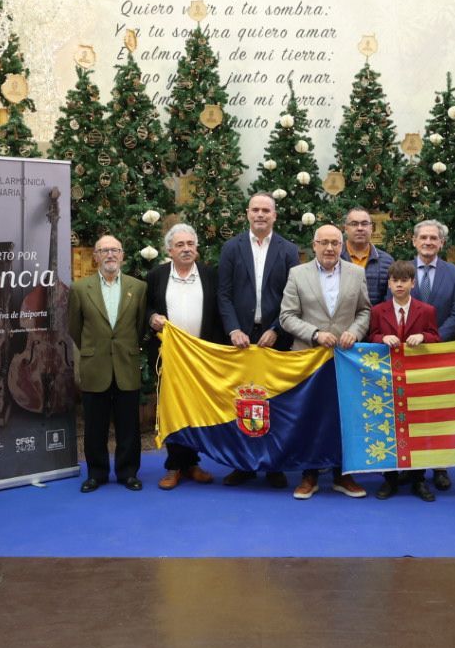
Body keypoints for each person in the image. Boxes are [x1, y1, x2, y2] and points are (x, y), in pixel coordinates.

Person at [278, 224, 372, 499]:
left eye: (335, 243)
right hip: (308, 359)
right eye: (324, 243)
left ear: (342, 246)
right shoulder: (298, 273)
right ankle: (309, 475)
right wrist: (315, 334)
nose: (330, 248)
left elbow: (364, 310)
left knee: (344, 416)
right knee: (309, 414)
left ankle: (343, 474)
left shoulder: (356, 273)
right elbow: (287, 316)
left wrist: (354, 332)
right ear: (314, 245)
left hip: (345, 360)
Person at [216, 193, 299, 488]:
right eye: (256, 210)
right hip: (240, 338)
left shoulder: (289, 250)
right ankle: (243, 465)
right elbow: (223, 295)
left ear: (275, 215)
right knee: (240, 399)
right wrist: (232, 329)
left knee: (273, 402)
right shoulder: (231, 248)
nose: (261, 214)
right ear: (247, 214)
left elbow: (293, 296)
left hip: (274, 338)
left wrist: (277, 327)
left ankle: (273, 465)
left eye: (266, 210)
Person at [68, 234, 148, 493]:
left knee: (129, 426)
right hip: (95, 366)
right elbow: (74, 328)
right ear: (96, 257)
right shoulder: (80, 288)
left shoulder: (138, 288)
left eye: (115, 250)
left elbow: (138, 326)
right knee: (94, 425)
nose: (110, 255)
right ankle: (97, 474)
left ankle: (128, 473)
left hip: (126, 364)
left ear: (123, 256)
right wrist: (93, 350)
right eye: (104, 250)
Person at [146, 223, 223, 491]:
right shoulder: (157, 275)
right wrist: (152, 317)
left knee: (196, 410)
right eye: (180, 245)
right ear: (169, 249)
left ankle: (191, 463)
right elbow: (148, 308)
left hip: (203, 356)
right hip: (172, 356)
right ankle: (174, 466)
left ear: (197, 247)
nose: (186, 249)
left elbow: (219, 312)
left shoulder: (210, 275)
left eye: (190, 244)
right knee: (173, 408)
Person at [368, 260, 441, 502]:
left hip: (416, 380)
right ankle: (389, 478)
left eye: (404, 281)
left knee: (417, 426)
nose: (399, 285)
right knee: (388, 425)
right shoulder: (378, 311)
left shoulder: (426, 310)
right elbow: (370, 336)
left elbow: (436, 337)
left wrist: (424, 336)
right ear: (389, 284)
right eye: (395, 281)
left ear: (413, 283)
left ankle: (418, 478)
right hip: (387, 379)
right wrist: (382, 337)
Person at [408, 219, 455, 493]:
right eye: (424, 238)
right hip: (408, 355)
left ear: (442, 243)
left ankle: (440, 466)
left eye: (434, 238)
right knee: (412, 413)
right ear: (414, 241)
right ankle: (412, 466)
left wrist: (433, 340)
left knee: (440, 412)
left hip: (441, 353)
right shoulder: (402, 271)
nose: (429, 242)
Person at [341, 206, 394, 306]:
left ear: (371, 228)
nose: (360, 228)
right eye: (354, 224)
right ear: (346, 228)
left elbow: (389, 302)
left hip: (374, 320)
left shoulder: (387, 262)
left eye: (364, 224)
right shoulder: (336, 258)